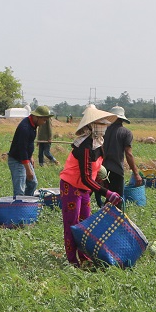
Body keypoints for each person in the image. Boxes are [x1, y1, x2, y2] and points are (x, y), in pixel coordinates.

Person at [60, 106, 122, 265]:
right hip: (71, 186)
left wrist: (101, 180)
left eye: (105, 123)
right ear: (92, 125)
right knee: (72, 225)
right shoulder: (85, 146)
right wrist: (107, 193)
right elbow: (86, 177)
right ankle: (73, 261)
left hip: (85, 188)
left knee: (85, 225)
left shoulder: (99, 143)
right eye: (101, 123)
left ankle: (84, 257)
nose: (104, 127)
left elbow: (94, 170)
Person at [96, 106, 142, 208]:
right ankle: (112, 217)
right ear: (122, 119)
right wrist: (136, 174)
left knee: (107, 197)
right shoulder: (126, 133)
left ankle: (104, 213)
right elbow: (128, 154)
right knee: (116, 201)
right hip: (116, 171)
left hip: (102, 170)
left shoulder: (103, 131)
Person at [7, 105, 52, 197]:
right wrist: (28, 169)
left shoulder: (33, 125)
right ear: (37, 117)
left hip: (25, 159)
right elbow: (22, 149)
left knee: (32, 183)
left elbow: (28, 144)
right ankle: (19, 204)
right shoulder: (25, 128)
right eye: (44, 120)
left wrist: (30, 156)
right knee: (19, 190)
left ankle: (27, 202)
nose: (44, 123)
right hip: (17, 160)